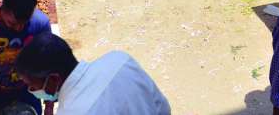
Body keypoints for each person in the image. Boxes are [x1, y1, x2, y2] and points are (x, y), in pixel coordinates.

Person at [15, 33, 171, 114]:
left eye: (32, 85)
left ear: (53, 79)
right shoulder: (119, 60)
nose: (32, 90)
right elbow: (163, 107)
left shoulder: (71, 111)